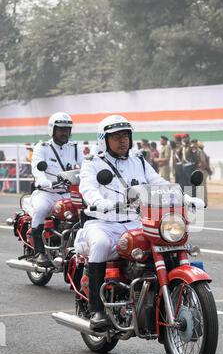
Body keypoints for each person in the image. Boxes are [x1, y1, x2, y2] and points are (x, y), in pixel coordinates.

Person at [75, 115, 204, 330]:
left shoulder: (139, 160)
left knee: (164, 244)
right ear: (103, 139)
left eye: (125, 135)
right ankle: (96, 309)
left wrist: (186, 197)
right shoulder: (92, 164)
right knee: (100, 245)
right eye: (116, 137)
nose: (123, 140)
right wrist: (100, 202)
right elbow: (87, 188)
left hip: (135, 222)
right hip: (103, 223)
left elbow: (159, 183)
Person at [31, 112, 83, 267]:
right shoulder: (42, 148)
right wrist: (43, 182)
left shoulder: (74, 148)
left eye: (67, 129)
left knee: (87, 212)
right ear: (52, 130)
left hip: (68, 193)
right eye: (60, 129)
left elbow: (85, 167)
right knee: (40, 209)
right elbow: (37, 168)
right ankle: (39, 252)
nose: (64, 132)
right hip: (48, 193)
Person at [197, 141, 212, 207]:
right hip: (202, 171)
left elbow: (203, 163)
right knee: (202, 187)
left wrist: (209, 170)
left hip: (202, 171)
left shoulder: (200, 151)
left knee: (201, 188)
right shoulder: (201, 151)